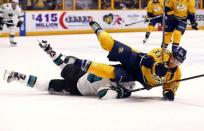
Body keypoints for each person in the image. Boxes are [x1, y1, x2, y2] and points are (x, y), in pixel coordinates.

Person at [61, 21, 187, 101]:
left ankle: (79, 62)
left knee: (110, 72)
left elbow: (170, 86)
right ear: (171, 54)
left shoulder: (176, 74)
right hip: (135, 61)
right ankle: (99, 30)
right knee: (111, 44)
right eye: (173, 58)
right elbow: (146, 60)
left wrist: (168, 92)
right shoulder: (162, 53)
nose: (174, 62)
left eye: (178, 62)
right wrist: (156, 66)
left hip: (136, 76)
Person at [3, 40, 135, 100]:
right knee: (47, 84)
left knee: (61, 68)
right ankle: (16, 76)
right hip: (78, 85)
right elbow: (103, 95)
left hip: (81, 79)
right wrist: (123, 93)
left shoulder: (114, 71)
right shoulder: (113, 86)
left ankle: (48, 51)